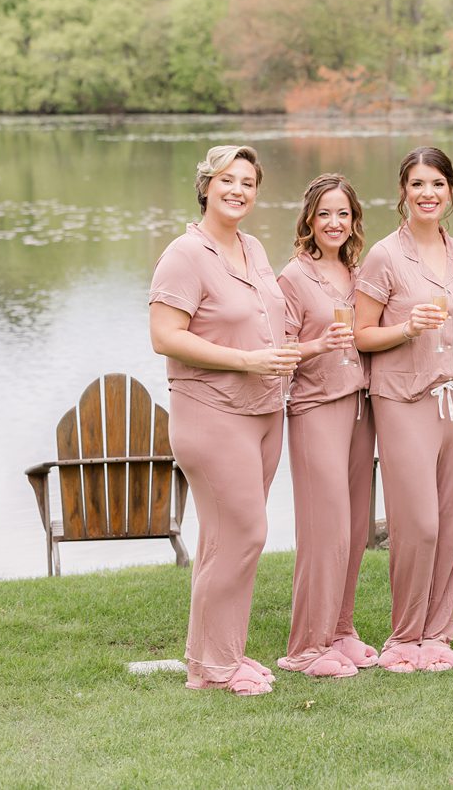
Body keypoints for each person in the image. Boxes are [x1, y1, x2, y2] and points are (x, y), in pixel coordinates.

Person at [148, 144, 300, 696]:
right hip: (211, 414)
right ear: (205, 185)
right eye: (227, 180)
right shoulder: (185, 254)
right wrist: (246, 361)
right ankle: (213, 667)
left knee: (223, 539)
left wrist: (299, 349)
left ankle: (218, 658)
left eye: (248, 183)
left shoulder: (253, 247)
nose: (238, 190)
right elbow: (165, 336)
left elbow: (264, 322)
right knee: (246, 533)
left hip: (262, 412)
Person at [353, 146, 453, 673]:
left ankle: (438, 634)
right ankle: (404, 636)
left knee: (452, 524)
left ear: (450, 192)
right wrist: (406, 328)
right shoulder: (383, 255)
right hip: (403, 398)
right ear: (402, 192)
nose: (428, 193)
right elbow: (360, 335)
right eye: (418, 184)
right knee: (419, 524)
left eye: (437, 184)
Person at [275, 174, 378, 679]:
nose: (334, 223)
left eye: (343, 214)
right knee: (325, 530)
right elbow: (280, 353)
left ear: (354, 220)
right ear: (309, 221)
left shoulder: (359, 272)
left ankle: (341, 629)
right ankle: (305, 648)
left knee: (356, 528)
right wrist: (320, 345)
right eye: (325, 214)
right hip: (316, 408)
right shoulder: (293, 278)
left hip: (361, 406)